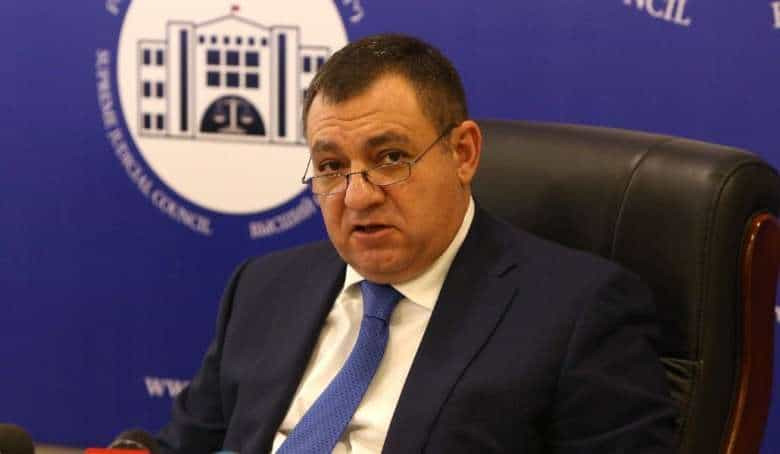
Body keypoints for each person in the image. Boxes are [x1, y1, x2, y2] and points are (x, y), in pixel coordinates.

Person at [156, 34, 677, 453]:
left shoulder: (577, 313)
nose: (357, 197)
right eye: (332, 166)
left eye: (390, 159)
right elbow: (185, 444)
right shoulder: (264, 287)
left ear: (463, 153)